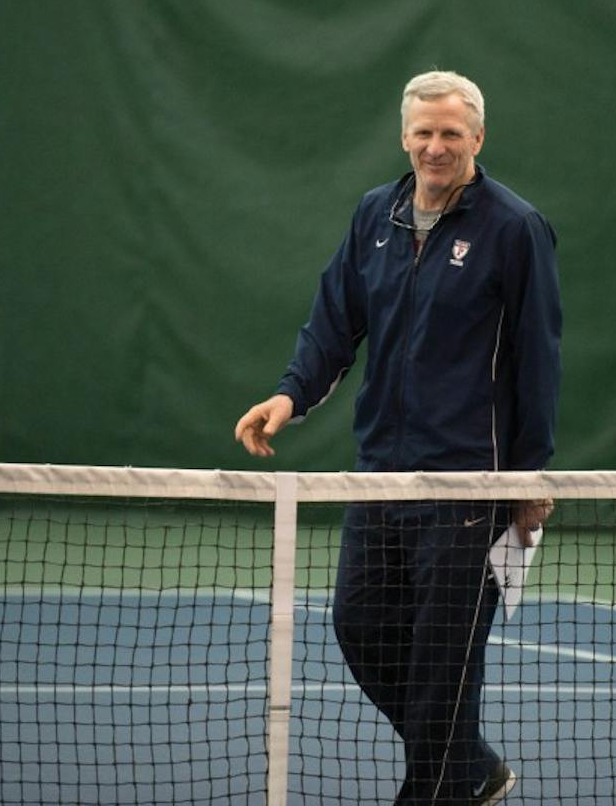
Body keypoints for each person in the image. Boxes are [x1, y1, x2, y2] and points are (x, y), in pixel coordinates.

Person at [235, 70, 562, 806]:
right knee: (359, 627)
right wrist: (289, 396)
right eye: (424, 132)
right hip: (379, 476)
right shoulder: (373, 216)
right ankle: (472, 765)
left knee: (445, 667)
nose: (435, 146)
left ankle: (439, 789)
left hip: (467, 488)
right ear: (404, 135)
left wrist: (530, 474)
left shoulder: (514, 229)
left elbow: (537, 359)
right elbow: (334, 323)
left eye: (451, 133)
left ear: (478, 138)